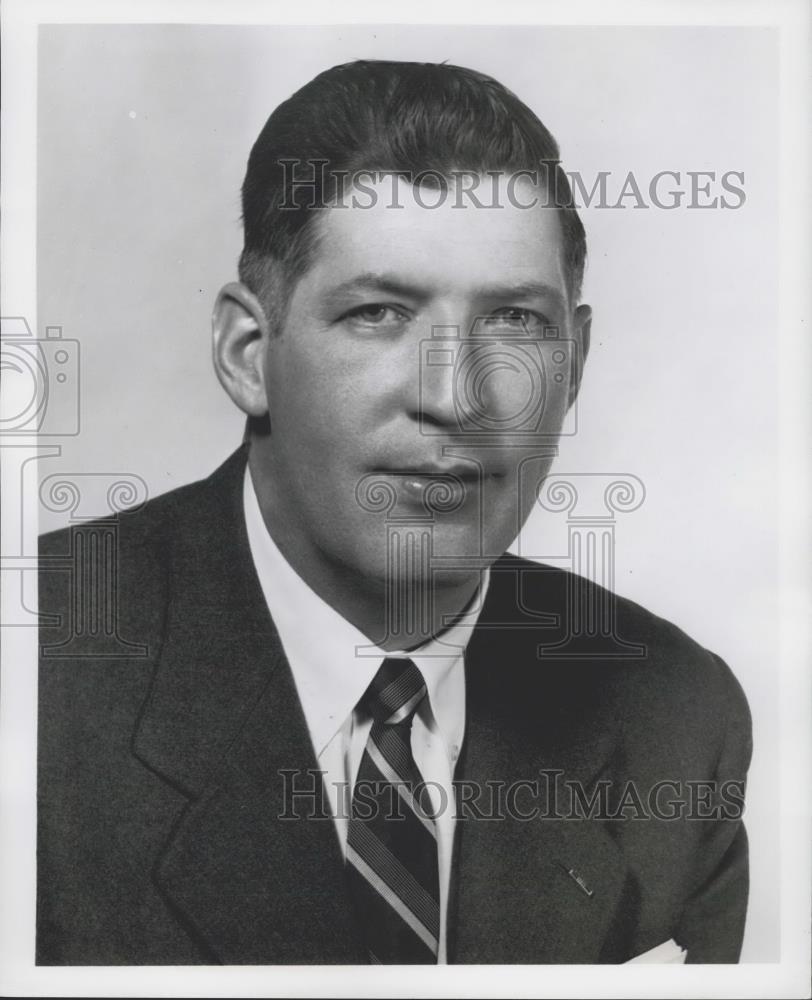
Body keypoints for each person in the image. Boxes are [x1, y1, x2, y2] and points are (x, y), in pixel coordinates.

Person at [36, 59, 751, 966]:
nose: (456, 397)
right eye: (379, 313)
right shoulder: (40, 678)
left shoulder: (676, 720)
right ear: (249, 353)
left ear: (572, 370)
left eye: (516, 323)